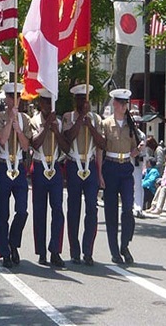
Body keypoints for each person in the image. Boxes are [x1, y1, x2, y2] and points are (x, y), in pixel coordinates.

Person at [63, 83, 104, 266]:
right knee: (74, 209)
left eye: (85, 98)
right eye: (79, 99)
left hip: (90, 165)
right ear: (75, 100)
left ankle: (88, 250)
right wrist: (80, 120)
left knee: (92, 210)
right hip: (73, 164)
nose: (82, 102)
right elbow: (68, 138)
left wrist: (91, 126)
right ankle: (74, 250)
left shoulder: (96, 119)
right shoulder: (68, 117)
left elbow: (102, 145)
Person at [101, 88, 142, 264]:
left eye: (126, 103)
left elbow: (133, 150)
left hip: (125, 167)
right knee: (111, 212)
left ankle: (125, 244)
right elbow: (100, 149)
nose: (124, 106)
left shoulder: (130, 125)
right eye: (122, 103)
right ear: (115, 104)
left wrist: (138, 150)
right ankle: (114, 250)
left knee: (127, 208)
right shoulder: (106, 124)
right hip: (110, 167)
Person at [30, 87, 70, 268]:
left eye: (51, 101)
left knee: (57, 212)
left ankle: (55, 250)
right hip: (39, 167)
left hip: (55, 168)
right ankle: (41, 252)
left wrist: (56, 131)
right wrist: (47, 127)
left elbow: (66, 148)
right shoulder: (34, 121)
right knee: (39, 212)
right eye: (45, 101)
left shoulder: (59, 123)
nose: (48, 105)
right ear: (40, 103)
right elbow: (35, 144)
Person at [0, 82, 32, 268]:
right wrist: (10, 121)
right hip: (3, 165)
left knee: (22, 210)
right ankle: (5, 252)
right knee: (2, 212)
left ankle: (13, 242)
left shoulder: (25, 119)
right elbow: (1, 140)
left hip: (19, 166)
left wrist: (18, 128)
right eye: (11, 97)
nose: (14, 100)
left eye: (17, 97)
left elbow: (26, 146)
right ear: (7, 98)